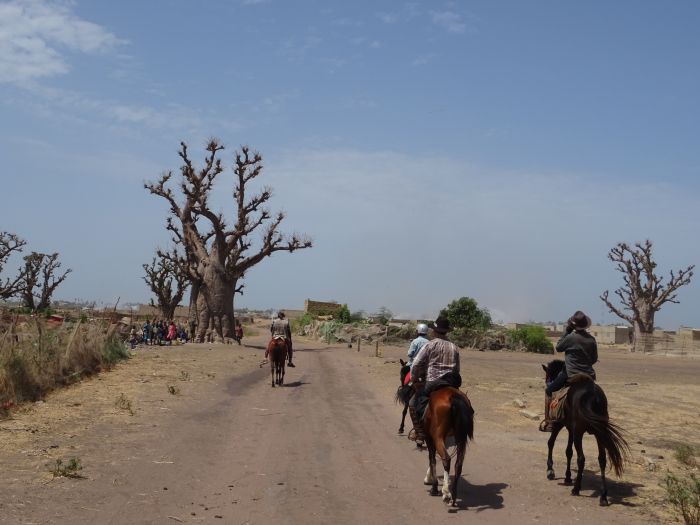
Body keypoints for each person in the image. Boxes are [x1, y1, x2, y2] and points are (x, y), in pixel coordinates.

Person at [540, 310, 598, 432]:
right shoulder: (592, 340)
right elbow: (594, 359)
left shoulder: (571, 337)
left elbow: (559, 347)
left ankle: (549, 422)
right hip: (589, 375)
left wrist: (567, 331)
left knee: (548, 390)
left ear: (573, 325)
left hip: (570, 374)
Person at [408, 316, 461, 444]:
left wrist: (413, 379)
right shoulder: (454, 347)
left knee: (412, 402)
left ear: (434, 331)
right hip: (451, 382)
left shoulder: (430, 345)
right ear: (447, 331)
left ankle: (420, 433)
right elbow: (457, 369)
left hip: (433, 382)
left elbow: (416, 364)